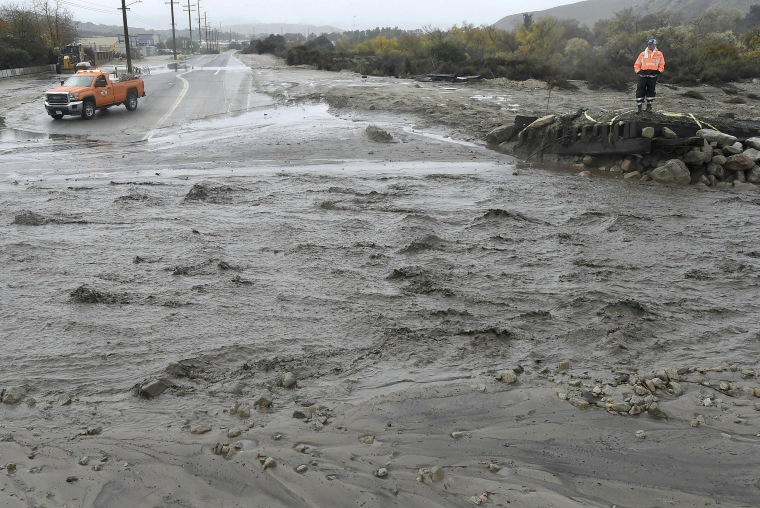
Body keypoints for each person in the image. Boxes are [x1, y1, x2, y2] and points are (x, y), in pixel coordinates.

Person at [634, 38, 665, 113]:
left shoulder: (659, 54)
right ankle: (639, 108)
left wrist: (658, 71)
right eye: (648, 44)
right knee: (640, 90)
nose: (649, 46)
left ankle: (649, 107)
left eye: (651, 44)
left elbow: (662, 64)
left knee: (651, 91)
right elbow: (637, 64)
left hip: (653, 75)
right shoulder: (643, 53)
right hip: (643, 74)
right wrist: (638, 72)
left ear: (654, 45)